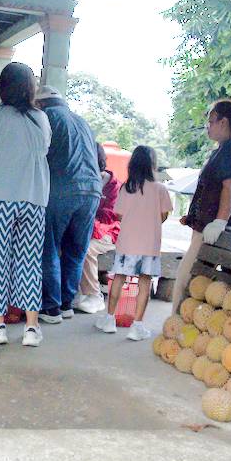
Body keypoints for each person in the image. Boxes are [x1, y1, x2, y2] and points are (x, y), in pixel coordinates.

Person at [0, 62, 52, 347]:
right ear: (30, 89)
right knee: (29, 262)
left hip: (1, 199)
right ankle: (31, 328)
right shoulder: (42, 119)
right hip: (35, 200)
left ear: (3, 87)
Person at [172, 99, 231, 314]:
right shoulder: (222, 149)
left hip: (216, 229)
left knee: (186, 278)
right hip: (205, 226)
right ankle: (178, 322)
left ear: (223, 122)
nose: (208, 126)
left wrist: (220, 221)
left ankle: (177, 321)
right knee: (190, 278)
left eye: (211, 121)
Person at [35, 85, 102, 324]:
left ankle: (51, 307)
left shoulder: (46, 118)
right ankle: (65, 304)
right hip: (93, 191)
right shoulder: (83, 122)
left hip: (63, 189)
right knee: (76, 250)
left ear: (40, 104)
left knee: (49, 247)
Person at [95, 145, 172, 340]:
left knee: (119, 278)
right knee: (144, 282)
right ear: (152, 164)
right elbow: (163, 215)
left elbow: (118, 215)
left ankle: (110, 319)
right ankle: (137, 326)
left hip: (127, 243)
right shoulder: (160, 189)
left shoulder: (126, 187)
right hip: (150, 244)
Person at [75, 143, 121, 314]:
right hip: (86, 229)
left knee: (85, 249)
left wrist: (87, 219)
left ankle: (94, 295)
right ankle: (74, 293)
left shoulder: (114, 185)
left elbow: (111, 216)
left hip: (109, 232)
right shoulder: (82, 180)